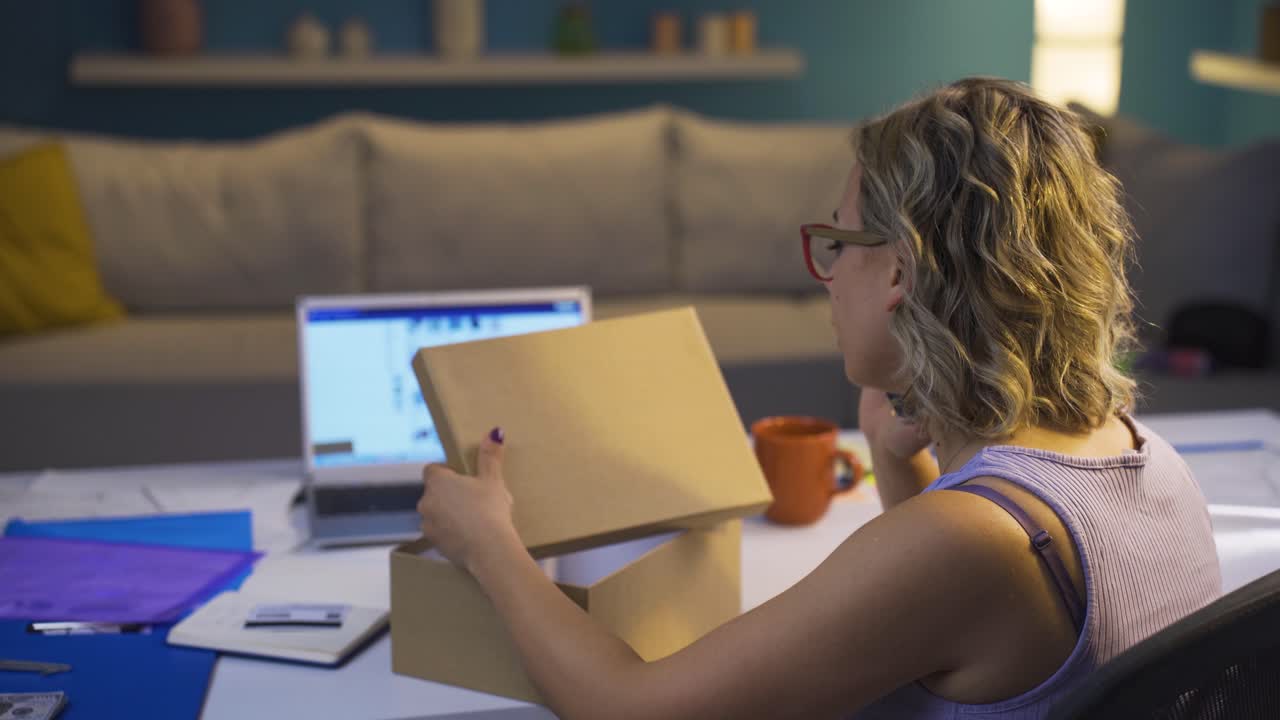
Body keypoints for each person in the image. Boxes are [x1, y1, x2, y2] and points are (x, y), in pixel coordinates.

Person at [416, 77, 1222, 719]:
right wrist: (893, 460)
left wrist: (490, 545)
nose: (829, 274)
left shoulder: (971, 543)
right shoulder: (1138, 453)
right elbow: (973, 639)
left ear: (903, 271)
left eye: (839, 242)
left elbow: (630, 709)